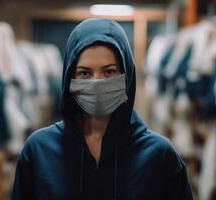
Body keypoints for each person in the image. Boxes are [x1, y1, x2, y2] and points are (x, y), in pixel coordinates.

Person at [11, 18, 193, 200]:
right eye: (85, 73)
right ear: (69, 79)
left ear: (126, 76)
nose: (96, 82)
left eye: (109, 72)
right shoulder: (39, 150)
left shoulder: (160, 155)